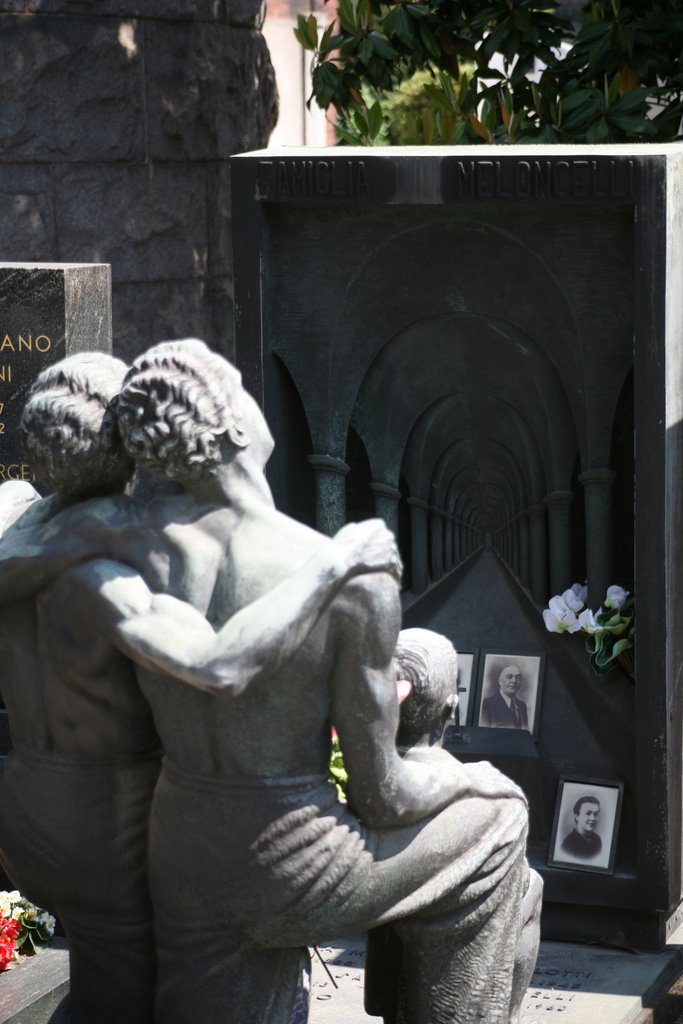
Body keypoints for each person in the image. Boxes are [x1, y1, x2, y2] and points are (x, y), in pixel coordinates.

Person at [1, 341, 541, 1023]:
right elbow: (383, 794)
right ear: (233, 428)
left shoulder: (114, 538)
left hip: (166, 842)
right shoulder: (349, 570)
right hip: (276, 855)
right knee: (496, 826)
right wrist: (471, 779)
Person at [481, 664, 529, 730]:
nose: (514, 681)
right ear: (500, 681)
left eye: (518, 678)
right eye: (509, 677)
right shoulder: (486, 704)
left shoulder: (522, 705)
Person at [560, 795, 602, 860]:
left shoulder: (597, 839)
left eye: (596, 814)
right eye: (588, 813)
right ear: (577, 816)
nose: (593, 818)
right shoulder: (567, 846)